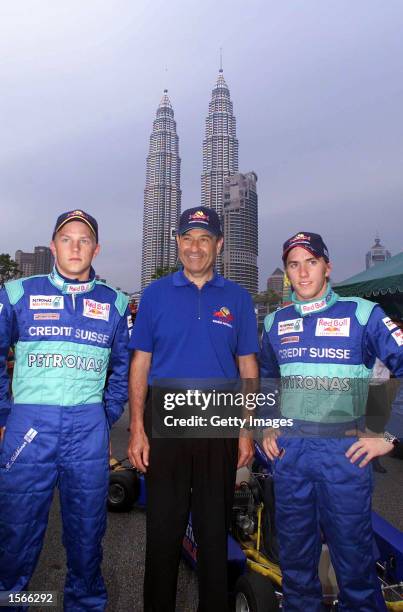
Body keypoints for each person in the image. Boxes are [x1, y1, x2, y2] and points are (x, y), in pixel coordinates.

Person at [260, 231, 403, 612]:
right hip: (291, 456)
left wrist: (390, 436)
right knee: (295, 563)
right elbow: (266, 378)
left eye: (311, 262)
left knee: (355, 564)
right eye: (294, 264)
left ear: (328, 267)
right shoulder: (275, 322)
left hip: (344, 454)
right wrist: (267, 424)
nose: (303, 272)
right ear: (287, 272)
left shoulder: (362, 314)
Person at [128, 206, 259, 612]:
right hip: (165, 416)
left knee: (213, 531)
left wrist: (246, 429)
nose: (195, 247)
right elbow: (141, 362)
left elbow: (248, 366)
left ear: (218, 244)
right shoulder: (155, 295)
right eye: (187, 238)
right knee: (163, 531)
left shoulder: (238, 298)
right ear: (178, 243)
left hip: (218, 417)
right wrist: (136, 427)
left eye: (204, 238)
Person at [0, 210, 131, 610]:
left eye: (84, 240)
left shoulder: (116, 302)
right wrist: (4, 415)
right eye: (67, 239)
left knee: (87, 532)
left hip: (87, 428)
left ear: (96, 248)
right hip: (28, 427)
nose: (75, 247)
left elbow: (123, 368)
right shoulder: (17, 292)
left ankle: (85, 603)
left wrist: (103, 416)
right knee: (16, 531)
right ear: (54, 245)